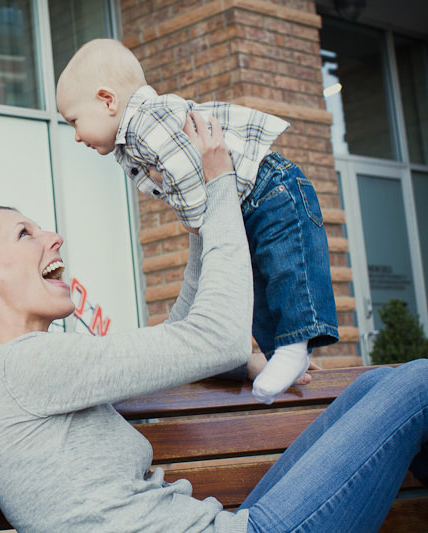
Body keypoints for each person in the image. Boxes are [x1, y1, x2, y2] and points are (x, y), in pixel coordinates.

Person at [0, 113, 428, 532]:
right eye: (25, 234)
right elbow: (216, 338)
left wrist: (198, 215)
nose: (53, 238)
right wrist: (219, 185)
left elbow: (185, 334)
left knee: (378, 384)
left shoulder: (21, 372)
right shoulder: (25, 367)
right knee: (419, 383)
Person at [55, 38, 338, 404]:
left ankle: (295, 344)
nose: (76, 136)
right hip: (245, 203)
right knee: (254, 280)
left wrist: (195, 220)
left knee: (289, 267)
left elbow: (183, 170)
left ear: (108, 101)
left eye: (75, 121)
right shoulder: (128, 142)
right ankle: (280, 354)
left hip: (269, 187)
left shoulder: (145, 120)